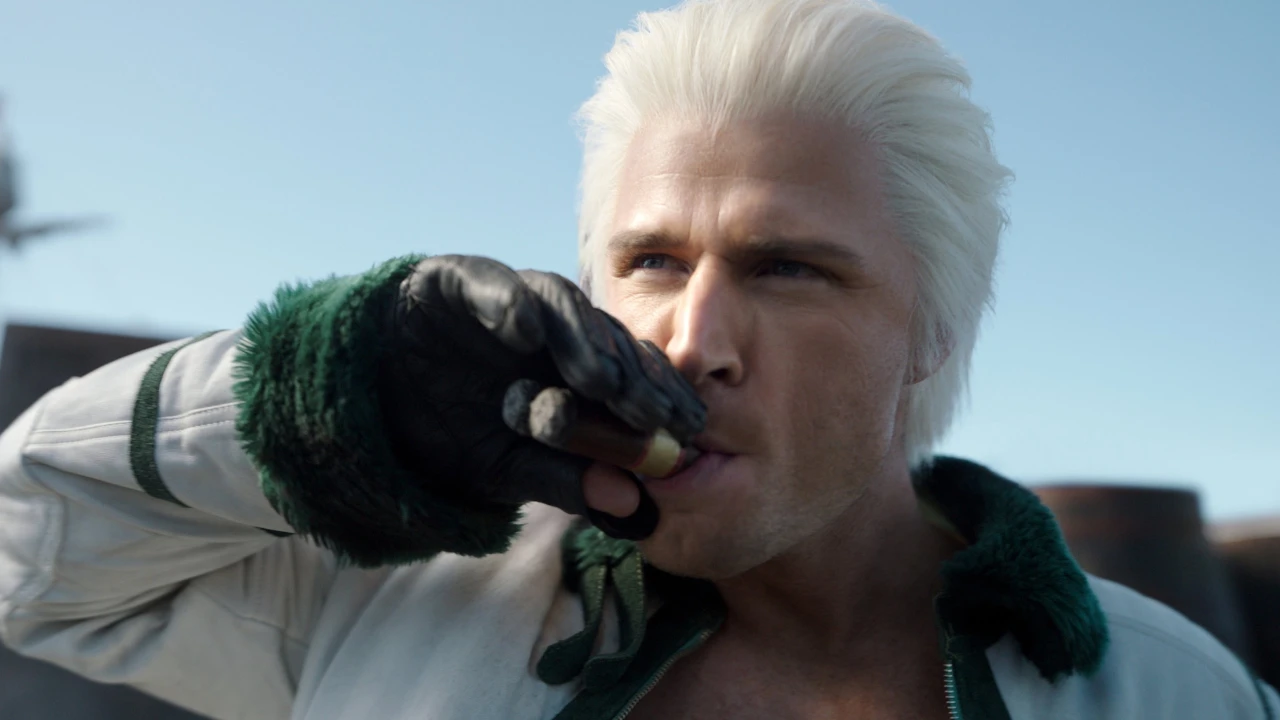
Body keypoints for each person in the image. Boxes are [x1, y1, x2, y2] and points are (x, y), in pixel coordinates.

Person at [1, 0, 1275, 718]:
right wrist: (337, 391)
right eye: (652, 262)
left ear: (931, 331)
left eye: (788, 267)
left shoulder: (1167, 692)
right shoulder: (392, 599)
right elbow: (28, 557)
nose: (691, 341)